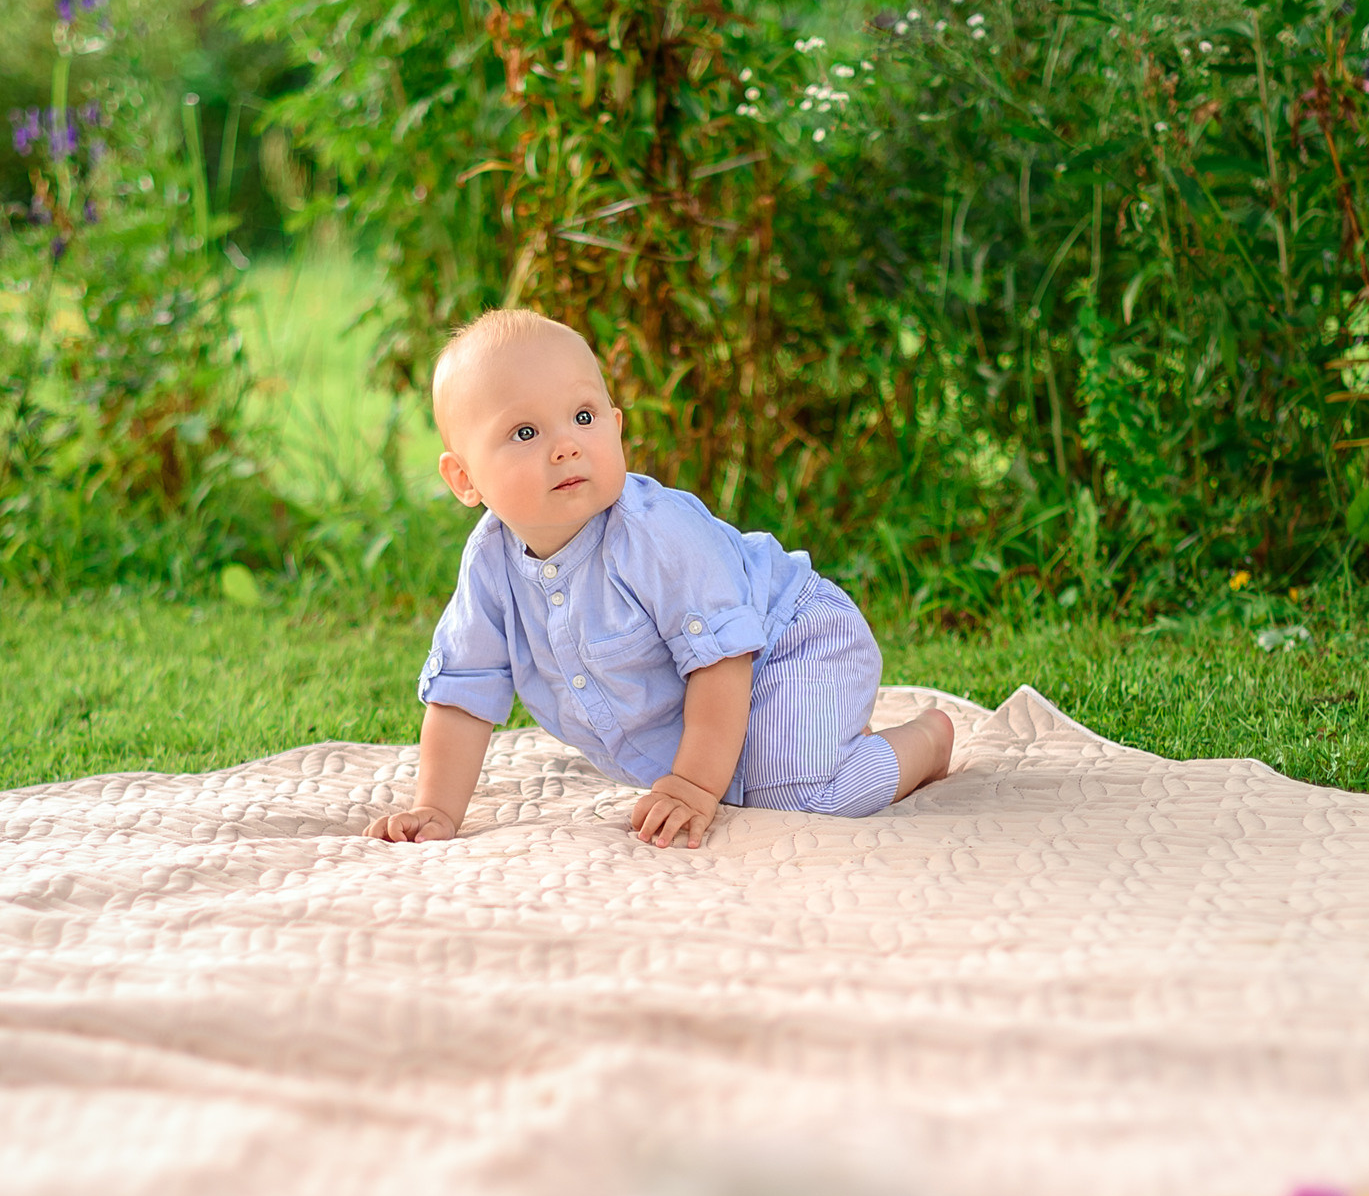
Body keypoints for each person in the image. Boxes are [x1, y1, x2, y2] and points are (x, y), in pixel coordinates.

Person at [368, 309, 952, 850]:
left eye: (583, 417)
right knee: (745, 781)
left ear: (616, 427)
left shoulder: (652, 533)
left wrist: (693, 786)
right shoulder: (490, 565)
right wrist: (437, 809)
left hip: (790, 642)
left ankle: (925, 741)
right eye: (525, 433)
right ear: (464, 479)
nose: (567, 446)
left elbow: (720, 659)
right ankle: (819, 738)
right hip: (719, 701)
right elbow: (463, 693)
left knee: (798, 797)